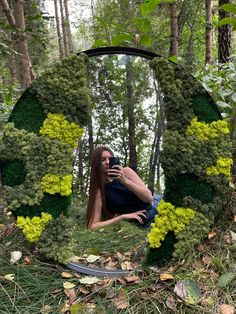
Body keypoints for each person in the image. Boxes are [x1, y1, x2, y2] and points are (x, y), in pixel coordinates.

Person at [86, 146, 161, 230]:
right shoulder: (100, 191)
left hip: (157, 205)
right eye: (103, 160)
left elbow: (148, 198)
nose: (107, 162)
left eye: (110, 159)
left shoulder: (126, 172)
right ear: (96, 164)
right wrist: (122, 217)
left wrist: (125, 181)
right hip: (146, 222)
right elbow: (92, 225)